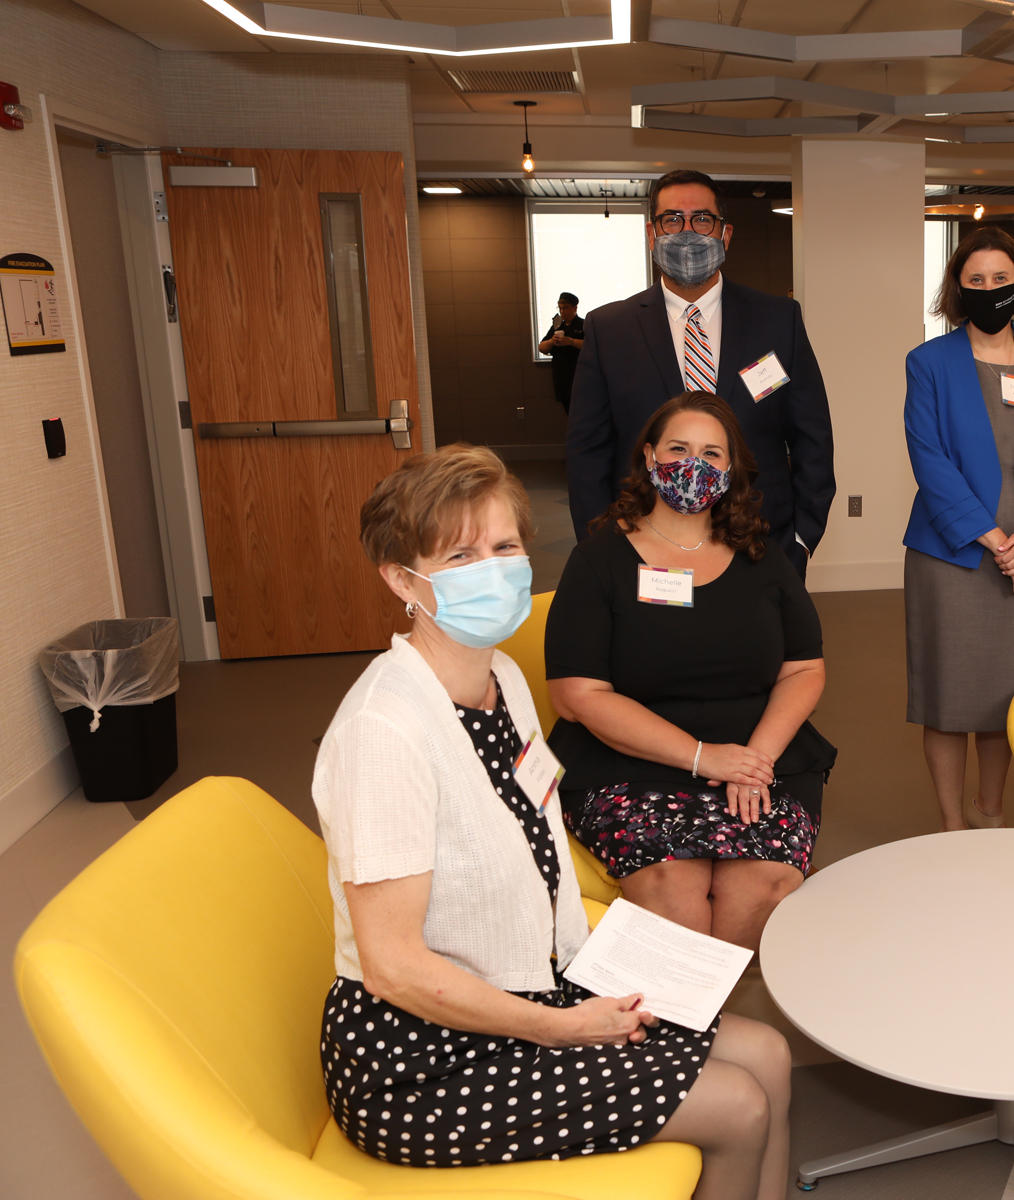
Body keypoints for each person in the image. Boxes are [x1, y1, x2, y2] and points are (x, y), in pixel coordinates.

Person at [313, 444, 792, 1200]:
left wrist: (611, 961)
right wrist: (568, 1027)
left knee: (766, 1051)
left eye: (504, 547)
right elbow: (393, 968)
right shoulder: (385, 731)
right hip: (422, 1060)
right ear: (402, 579)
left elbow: (533, 835)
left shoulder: (500, 677)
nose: (494, 569)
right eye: (460, 555)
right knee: (737, 1103)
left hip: (533, 979)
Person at [549, 392, 834, 951]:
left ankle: (708, 1021)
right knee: (670, 884)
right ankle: (695, 1030)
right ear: (650, 457)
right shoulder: (600, 558)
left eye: (712, 453)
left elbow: (804, 669)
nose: (694, 465)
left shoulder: (761, 555)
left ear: (731, 471)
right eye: (679, 448)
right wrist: (704, 756)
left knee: (760, 885)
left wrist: (754, 763)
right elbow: (576, 693)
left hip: (757, 753)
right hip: (629, 759)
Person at [566, 169, 834, 579]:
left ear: (724, 235)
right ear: (652, 234)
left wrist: (801, 540)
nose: (687, 232)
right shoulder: (609, 329)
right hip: (645, 545)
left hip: (762, 542)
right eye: (672, 219)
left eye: (702, 219)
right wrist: (601, 545)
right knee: (658, 644)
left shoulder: (779, 321)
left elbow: (812, 437)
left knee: (758, 645)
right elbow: (587, 452)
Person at [903, 226, 1014, 832]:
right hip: (955, 551)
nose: (988, 289)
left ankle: (990, 812)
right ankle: (952, 823)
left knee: (1008, 694)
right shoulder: (929, 362)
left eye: (1000, 279)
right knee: (952, 698)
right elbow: (928, 458)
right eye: (975, 280)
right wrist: (994, 539)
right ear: (957, 288)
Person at [539, 291, 585, 413]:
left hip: (579, 377)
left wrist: (571, 341)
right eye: (560, 308)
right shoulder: (557, 326)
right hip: (562, 379)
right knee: (569, 413)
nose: (562, 311)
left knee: (582, 413)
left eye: (565, 308)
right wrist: (551, 341)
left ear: (575, 308)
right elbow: (542, 347)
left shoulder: (583, 324)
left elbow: (592, 345)